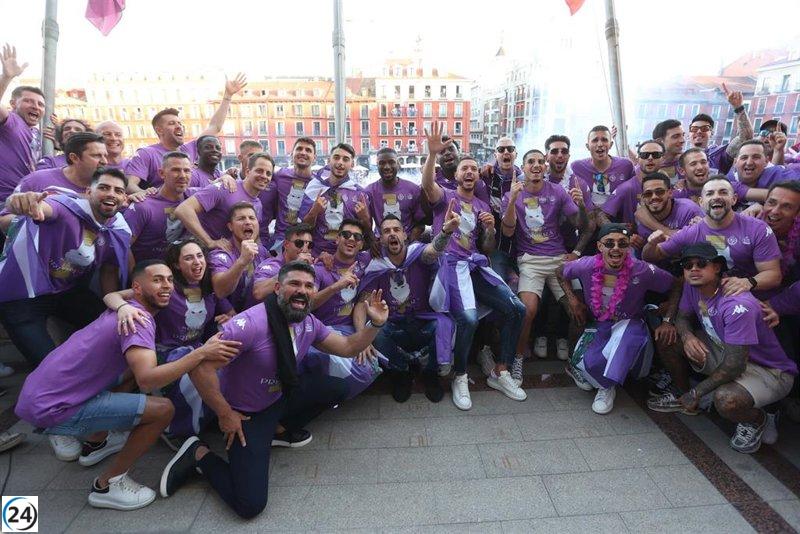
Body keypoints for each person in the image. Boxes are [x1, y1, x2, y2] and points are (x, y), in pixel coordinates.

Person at [159, 261, 390, 519]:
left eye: (308, 286)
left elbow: (348, 347)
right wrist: (225, 414)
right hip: (246, 413)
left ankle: (278, 430)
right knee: (250, 505)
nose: (301, 290)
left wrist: (375, 325)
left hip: (278, 398)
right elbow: (200, 369)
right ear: (278, 288)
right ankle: (198, 454)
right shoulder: (249, 325)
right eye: (294, 284)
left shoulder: (309, 322)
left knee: (336, 386)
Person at [15, 259, 240, 510]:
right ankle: (108, 485)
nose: (166, 286)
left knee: (129, 373)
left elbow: (112, 296)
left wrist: (122, 302)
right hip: (54, 408)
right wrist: (200, 354)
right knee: (163, 410)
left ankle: (96, 442)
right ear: (137, 288)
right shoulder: (138, 321)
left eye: (169, 280)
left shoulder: (125, 308)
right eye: (157, 280)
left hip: (37, 393)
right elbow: (148, 378)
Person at [652, 243, 796, 453]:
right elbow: (682, 317)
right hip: (724, 351)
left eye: (701, 263)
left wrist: (697, 391)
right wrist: (688, 335)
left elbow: (734, 366)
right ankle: (684, 399)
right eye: (687, 265)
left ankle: (757, 419)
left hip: (767, 371)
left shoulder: (737, 305)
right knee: (668, 338)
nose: (693, 269)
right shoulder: (693, 287)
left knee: (726, 399)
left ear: (717, 267)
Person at [422, 122, 526, 409]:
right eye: (463, 168)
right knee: (467, 319)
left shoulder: (481, 205)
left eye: (473, 169)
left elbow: (488, 248)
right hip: (451, 266)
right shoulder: (445, 198)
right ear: (455, 175)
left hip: (475, 265)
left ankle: (500, 370)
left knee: (517, 308)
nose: (469, 172)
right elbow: (427, 186)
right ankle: (460, 374)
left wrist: (490, 230)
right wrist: (432, 155)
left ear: (477, 175)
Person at [105, 240, 233, 446]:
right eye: (189, 257)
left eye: (200, 256)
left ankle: (207, 418)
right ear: (176, 265)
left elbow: (230, 314)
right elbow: (111, 296)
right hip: (163, 352)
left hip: (197, 347)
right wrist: (122, 307)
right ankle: (176, 431)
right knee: (195, 370)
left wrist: (226, 318)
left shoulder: (209, 287)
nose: (197, 262)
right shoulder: (166, 287)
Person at [0, 169, 131, 366]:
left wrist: (111, 310)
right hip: (22, 294)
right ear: (88, 192)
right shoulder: (65, 207)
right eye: (104, 187)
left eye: (118, 190)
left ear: (124, 199)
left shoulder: (119, 229)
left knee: (115, 330)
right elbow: (43, 207)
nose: (111, 193)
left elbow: (109, 271)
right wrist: (21, 202)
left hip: (67, 292)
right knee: (48, 366)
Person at [557, 224, 676, 414]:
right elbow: (560, 271)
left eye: (622, 244)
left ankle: (606, 388)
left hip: (631, 324)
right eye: (609, 243)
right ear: (599, 246)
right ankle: (587, 370)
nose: (616, 248)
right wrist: (573, 300)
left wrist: (669, 314)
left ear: (628, 248)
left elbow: (676, 283)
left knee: (626, 339)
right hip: (600, 324)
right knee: (592, 364)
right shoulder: (586, 264)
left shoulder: (642, 269)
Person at [501, 149, 589, 369]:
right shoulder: (512, 194)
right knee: (527, 310)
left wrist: (581, 205)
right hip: (530, 260)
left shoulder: (558, 191)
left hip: (559, 259)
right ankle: (517, 361)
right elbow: (508, 232)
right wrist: (512, 200)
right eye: (531, 161)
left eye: (541, 161)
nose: (537, 165)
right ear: (523, 167)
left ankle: (577, 363)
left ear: (545, 167)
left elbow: (580, 224)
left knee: (578, 307)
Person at [360, 212, 459, 402]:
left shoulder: (418, 254)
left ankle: (430, 373)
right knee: (374, 330)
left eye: (396, 229)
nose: (392, 234)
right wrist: (360, 337)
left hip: (422, 322)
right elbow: (363, 301)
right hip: (394, 327)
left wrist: (446, 231)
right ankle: (401, 372)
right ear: (380, 239)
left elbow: (433, 251)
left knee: (444, 325)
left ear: (405, 235)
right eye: (386, 231)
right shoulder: (376, 265)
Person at [643, 176, 783, 299]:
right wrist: (651, 244)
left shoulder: (757, 229)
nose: (716, 197)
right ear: (701, 202)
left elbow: (773, 275)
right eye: (710, 193)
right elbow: (652, 256)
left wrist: (748, 282)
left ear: (734, 199)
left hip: (754, 301)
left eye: (723, 192)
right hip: (708, 302)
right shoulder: (691, 232)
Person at [124, 74, 246, 191]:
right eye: (172, 123)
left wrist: (228, 96)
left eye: (180, 123)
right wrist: (144, 195)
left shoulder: (189, 149)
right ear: (159, 130)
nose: (179, 127)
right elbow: (130, 185)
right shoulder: (146, 154)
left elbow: (215, 127)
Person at [0, 132, 108, 235]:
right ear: (74, 158)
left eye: (105, 156)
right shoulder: (37, 180)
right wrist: (34, 217)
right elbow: (3, 220)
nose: (104, 161)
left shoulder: (109, 190)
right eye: (96, 156)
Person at [174, 152, 271, 251]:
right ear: (247, 172)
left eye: (268, 173)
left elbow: (254, 237)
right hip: (203, 256)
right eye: (259, 171)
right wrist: (209, 242)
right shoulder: (225, 187)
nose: (264, 176)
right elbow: (183, 210)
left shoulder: (258, 204)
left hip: (229, 259)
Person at [299, 143, 372, 254]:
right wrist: (314, 212)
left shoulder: (359, 194)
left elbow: (367, 232)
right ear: (329, 160)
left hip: (347, 257)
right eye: (336, 157)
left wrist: (365, 218)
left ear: (352, 164)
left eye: (345, 159)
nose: (340, 162)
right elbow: (302, 228)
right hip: (317, 255)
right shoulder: (314, 187)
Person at [124, 152, 193, 263]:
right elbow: (122, 247)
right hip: (148, 275)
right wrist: (136, 276)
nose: (182, 176)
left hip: (180, 274)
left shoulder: (194, 198)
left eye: (187, 170)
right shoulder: (142, 206)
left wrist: (226, 177)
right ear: (161, 173)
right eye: (175, 170)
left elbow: (217, 188)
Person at [0, 45, 44, 203]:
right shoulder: (11, 121)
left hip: (27, 204)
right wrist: (6, 77)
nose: (35, 106)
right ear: (13, 103)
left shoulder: (39, 134)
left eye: (40, 104)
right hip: (4, 203)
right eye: (28, 101)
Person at [209, 202, 270, 311]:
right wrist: (242, 261)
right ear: (230, 226)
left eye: (252, 218)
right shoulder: (221, 254)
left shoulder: (262, 251)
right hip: (225, 319)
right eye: (241, 219)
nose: (248, 222)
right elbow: (219, 291)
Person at [259, 137, 317, 249]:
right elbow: (255, 178)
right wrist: (228, 176)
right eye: (299, 149)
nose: (303, 152)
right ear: (292, 154)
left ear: (314, 158)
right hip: (281, 239)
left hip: (307, 241)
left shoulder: (318, 183)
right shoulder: (279, 175)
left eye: (308, 150)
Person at [688, 83, 754, 175]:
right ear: (688, 134)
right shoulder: (680, 159)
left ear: (712, 133)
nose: (699, 131)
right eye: (694, 129)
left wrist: (738, 108)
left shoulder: (719, 154)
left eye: (704, 128)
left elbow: (746, 137)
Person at [599, 140, 667, 228]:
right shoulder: (626, 188)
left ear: (663, 158)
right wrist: (618, 230)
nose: (650, 158)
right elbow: (601, 215)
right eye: (644, 155)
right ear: (638, 158)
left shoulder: (671, 186)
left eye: (656, 154)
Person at [363, 147, 424, 240]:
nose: (387, 167)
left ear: (398, 164)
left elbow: (421, 223)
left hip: (407, 243)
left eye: (391, 162)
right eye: (382, 163)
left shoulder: (413, 189)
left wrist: (409, 242)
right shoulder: (369, 191)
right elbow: (366, 221)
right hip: (381, 243)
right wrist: (372, 241)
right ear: (377, 165)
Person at [571, 125, 635, 209]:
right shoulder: (577, 167)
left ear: (611, 144)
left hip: (619, 220)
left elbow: (635, 189)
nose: (600, 144)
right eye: (595, 140)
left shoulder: (626, 165)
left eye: (604, 140)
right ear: (587, 146)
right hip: (588, 218)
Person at [252, 223, 314, 300]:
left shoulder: (309, 266)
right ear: (286, 244)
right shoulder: (272, 266)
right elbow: (258, 293)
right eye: (299, 243)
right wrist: (293, 266)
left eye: (309, 245)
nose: (305, 249)